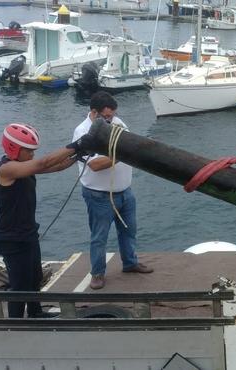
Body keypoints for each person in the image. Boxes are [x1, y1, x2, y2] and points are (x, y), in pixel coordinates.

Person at [0, 123, 88, 318]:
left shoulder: (23, 168)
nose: (33, 154)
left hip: (28, 233)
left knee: (35, 278)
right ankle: (14, 324)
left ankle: (35, 312)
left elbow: (55, 166)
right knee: (19, 286)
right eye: (29, 151)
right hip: (11, 237)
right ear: (14, 149)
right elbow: (43, 163)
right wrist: (76, 144)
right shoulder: (6, 169)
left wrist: (79, 155)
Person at [73, 91, 152, 290]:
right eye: (106, 116)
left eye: (112, 115)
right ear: (94, 113)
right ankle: (97, 274)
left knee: (129, 230)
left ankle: (130, 262)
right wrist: (123, 155)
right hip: (98, 195)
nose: (110, 119)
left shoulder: (118, 123)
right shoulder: (83, 132)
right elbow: (95, 165)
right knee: (99, 236)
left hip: (125, 191)